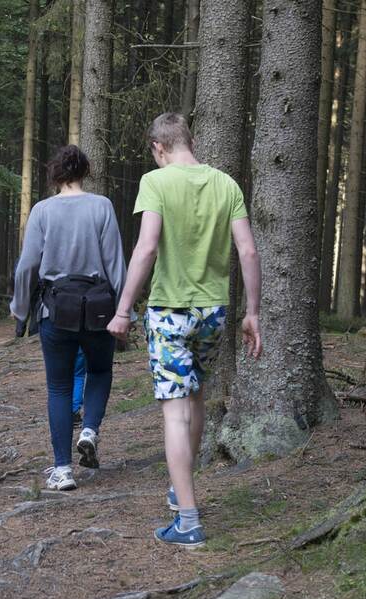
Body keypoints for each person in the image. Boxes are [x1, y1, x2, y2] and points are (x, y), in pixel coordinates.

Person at [107, 112, 262, 548]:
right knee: (195, 396)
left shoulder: (155, 183)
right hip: (213, 311)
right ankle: (181, 488)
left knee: (175, 410)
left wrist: (123, 309)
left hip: (170, 310)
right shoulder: (226, 184)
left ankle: (188, 520)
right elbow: (248, 250)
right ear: (187, 140)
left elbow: (147, 247)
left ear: (159, 146)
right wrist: (253, 311)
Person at [11, 145, 127, 491]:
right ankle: (89, 429)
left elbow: (28, 265)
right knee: (100, 370)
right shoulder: (102, 206)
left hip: (55, 310)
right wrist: (125, 311)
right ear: (84, 172)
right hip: (99, 309)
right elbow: (115, 264)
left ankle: (62, 470)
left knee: (59, 388)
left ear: (55, 175)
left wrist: (19, 308)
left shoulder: (43, 211)